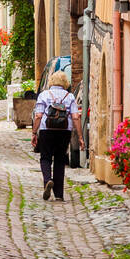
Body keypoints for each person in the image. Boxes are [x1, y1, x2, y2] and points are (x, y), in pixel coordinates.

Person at [32, 69, 83, 201]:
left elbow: (38, 116)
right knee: (60, 160)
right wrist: (80, 137)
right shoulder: (70, 96)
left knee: (45, 158)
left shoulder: (44, 95)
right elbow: (76, 117)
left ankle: (48, 180)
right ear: (65, 83)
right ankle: (59, 194)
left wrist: (34, 133)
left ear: (51, 81)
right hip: (64, 131)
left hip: (46, 130)